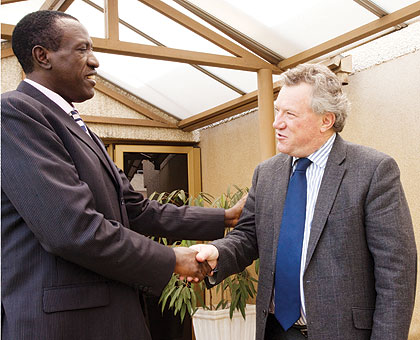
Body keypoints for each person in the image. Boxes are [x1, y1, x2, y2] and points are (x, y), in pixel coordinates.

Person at [1, 11, 244, 340]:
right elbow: (71, 229)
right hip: (64, 327)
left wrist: (227, 217)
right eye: (82, 49)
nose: (95, 61)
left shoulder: (79, 128)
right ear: (43, 56)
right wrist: (170, 258)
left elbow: (136, 209)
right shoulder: (15, 113)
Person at [192, 63, 417, 340]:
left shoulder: (373, 171)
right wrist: (218, 253)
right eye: (277, 111)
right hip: (276, 331)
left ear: (326, 120)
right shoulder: (267, 173)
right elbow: (248, 236)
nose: (277, 123)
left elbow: (396, 271)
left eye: (290, 114)